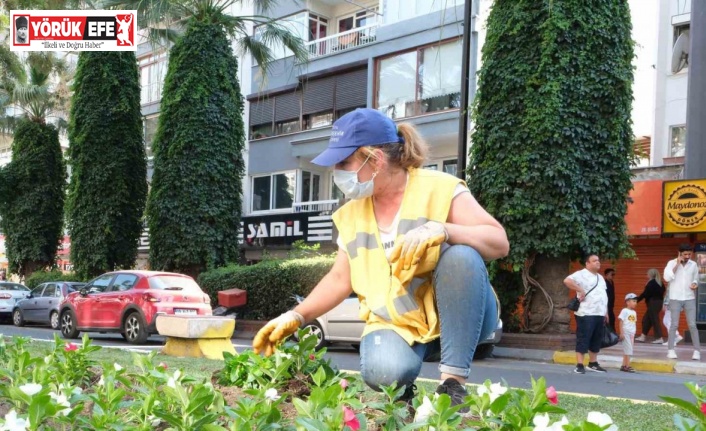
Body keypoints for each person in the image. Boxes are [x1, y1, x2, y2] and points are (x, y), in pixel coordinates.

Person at [252, 108, 509, 410]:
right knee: (382, 371)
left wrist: (444, 230)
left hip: (464, 320)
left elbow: (499, 242)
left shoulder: (438, 188)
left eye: (344, 162)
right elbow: (339, 279)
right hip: (398, 324)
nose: (337, 173)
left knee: (462, 256)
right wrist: (295, 316)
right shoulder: (351, 214)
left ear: (375, 159)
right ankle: (400, 399)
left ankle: (452, 387)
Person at [564, 254, 608, 374]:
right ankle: (579, 364)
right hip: (586, 313)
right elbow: (567, 281)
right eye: (594, 261)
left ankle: (593, 363)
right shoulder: (581, 274)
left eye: (598, 260)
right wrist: (580, 289)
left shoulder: (600, 277)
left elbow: (603, 296)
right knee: (584, 337)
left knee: (596, 338)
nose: (597, 262)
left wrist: (606, 312)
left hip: (599, 313)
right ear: (587, 263)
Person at [664, 243, 700, 361]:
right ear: (679, 253)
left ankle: (697, 351)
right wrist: (677, 265)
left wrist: (695, 283)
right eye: (685, 254)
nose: (688, 256)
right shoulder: (671, 263)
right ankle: (670, 350)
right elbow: (667, 278)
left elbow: (696, 278)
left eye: (690, 254)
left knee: (692, 325)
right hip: (675, 297)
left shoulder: (693, 264)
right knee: (674, 324)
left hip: (689, 297)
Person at [635, 268, 666, 344]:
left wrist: (636, 300)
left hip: (653, 303)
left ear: (651, 274)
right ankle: (643, 336)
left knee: (654, 320)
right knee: (646, 319)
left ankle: (659, 337)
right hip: (659, 302)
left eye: (647, 274)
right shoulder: (660, 283)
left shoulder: (651, 283)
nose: (647, 275)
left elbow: (645, 294)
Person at [618, 293, 638, 372]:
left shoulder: (634, 312)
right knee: (628, 350)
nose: (635, 303)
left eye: (636, 301)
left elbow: (634, 323)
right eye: (633, 301)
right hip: (626, 332)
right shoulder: (624, 311)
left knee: (628, 349)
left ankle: (624, 365)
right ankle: (627, 366)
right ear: (627, 302)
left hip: (631, 333)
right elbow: (621, 321)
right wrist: (621, 332)